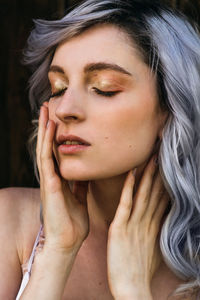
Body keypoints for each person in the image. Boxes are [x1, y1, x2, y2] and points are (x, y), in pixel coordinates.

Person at [0, 0, 200, 299]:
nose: (65, 109)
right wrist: (56, 251)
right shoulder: (9, 219)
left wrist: (132, 289)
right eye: (58, 88)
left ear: (172, 109)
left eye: (104, 88)